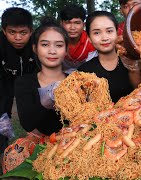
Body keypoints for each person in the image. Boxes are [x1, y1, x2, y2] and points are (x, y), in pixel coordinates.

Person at [2, 17, 69, 174]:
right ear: (35, 48)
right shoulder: (24, 82)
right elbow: (27, 123)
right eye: (45, 45)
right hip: (37, 143)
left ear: (66, 50)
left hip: (69, 142)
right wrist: (46, 102)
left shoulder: (76, 80)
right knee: (14, 156)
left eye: (59, 45)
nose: (52, 51)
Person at [78, 11, 141, 103]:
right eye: (96, 33)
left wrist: (133, 69)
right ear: (89, 38)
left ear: (117, 32)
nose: (104, 38)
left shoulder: (133, 59)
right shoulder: (83, 72)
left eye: (109, 31)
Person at [0, 7, 36, 163]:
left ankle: (37, 151)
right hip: (3, 81)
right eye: (12, 32)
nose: (17, 38)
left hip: (29, 80)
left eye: (23, 33)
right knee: (2, 116)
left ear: (31, 31)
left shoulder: (36, 44)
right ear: (3, 31)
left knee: (35, 115)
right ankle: (2, 152)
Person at [59, 4, 96, 73]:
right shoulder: (55, 40)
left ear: (83, 25)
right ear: (61, 24)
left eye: (77, 23)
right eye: (68, 23)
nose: (72, 27)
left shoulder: (91, 40)